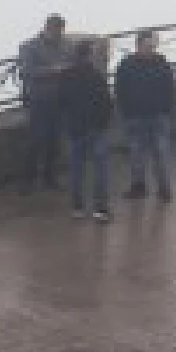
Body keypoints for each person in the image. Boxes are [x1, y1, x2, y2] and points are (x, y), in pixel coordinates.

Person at [115, 30, 176, 202]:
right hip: (135, 117)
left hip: (158, 116)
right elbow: (120, 90)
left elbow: (170, 87)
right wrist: (126, 111)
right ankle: (138, 186)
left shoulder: (162, 62)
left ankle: (164, 189)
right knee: (136, 154)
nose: (151, 49)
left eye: (153, 45)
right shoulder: (126, 65)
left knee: (161, 154)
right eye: (148, 46)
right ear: (138, 45)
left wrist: (166, 109)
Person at [58, 42, 115, 222]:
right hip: (96, 128)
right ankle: (100, 209)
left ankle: (77, 208)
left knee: (76, 169)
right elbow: (106, 102)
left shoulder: (66, 76)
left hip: (76, 128)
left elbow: (62, 102)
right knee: (100, 169)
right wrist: (104, 122)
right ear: (90, 55)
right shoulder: (96, 76)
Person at [18, 14, 70, 192]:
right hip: (38, 100)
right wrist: (52, 70)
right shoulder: (29, 46)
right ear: (48, 28)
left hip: (59, 100)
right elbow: (26, 71)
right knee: (35, 141)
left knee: (54, 141)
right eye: (57, 31)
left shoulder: (65, 45)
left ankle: (50, 177)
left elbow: (70, 63)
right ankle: (28, 181)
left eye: (61, 31)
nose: (59, 35)